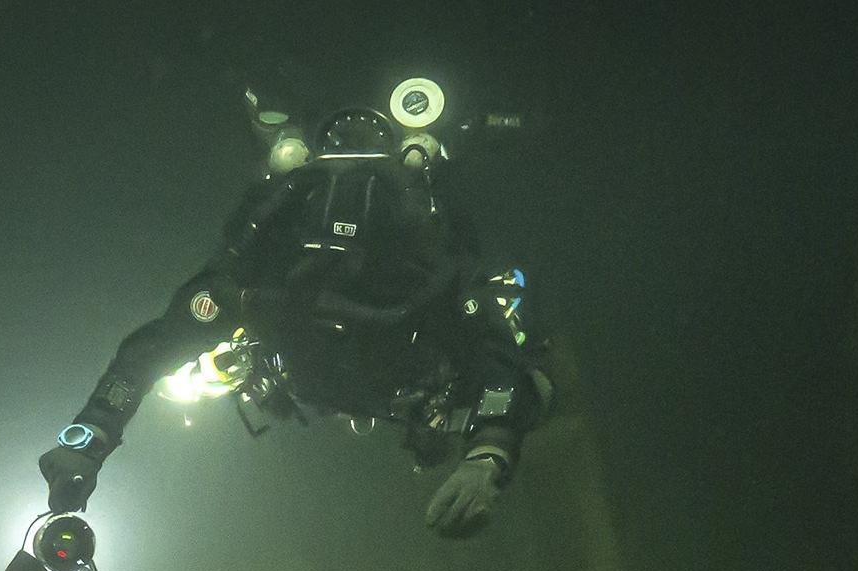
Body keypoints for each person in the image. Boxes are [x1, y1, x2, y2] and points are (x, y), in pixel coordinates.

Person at [36, 82, 548, 541]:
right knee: (526, 369)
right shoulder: (424, 267)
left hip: (326, 372)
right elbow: (495, 360)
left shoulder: (259, 270)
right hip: (387, 376)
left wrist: (90, 434)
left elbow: (152, 349)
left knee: (529, 370)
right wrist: (489, 453)